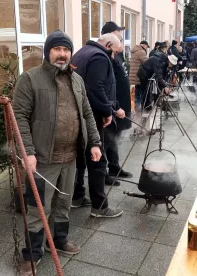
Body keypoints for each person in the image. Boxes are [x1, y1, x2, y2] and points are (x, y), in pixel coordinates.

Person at [12, 30, 102, 275]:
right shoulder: (30, 79)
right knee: (37, 208)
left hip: (70, 156)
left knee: (64, 203)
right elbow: (18, 117)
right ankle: (32, 254)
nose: (62, 54)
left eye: (66, 49)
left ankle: (59, 240)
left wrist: (94, 143)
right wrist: (27, 152)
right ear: (48, 52)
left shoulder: (77, 80)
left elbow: (86, 114)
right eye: (57, 49)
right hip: (42, 159)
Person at [71, 33, 124, 218]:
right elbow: (96, 88)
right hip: (91, 115)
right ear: (108, 45)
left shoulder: (82, 52)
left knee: (80, 157)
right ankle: (100, 206)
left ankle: (77, 196)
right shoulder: (100, 57)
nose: (114, 57)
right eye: (115, 52)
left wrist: (113, 107)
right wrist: (108, 111)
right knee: (97, 159)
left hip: (77, 113)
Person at [102, 22, 134, 180]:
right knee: (106, 141)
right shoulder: (104, 56)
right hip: (113, 107)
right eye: (118, 32)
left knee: (115, 139)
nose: (121, 36)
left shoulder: (118, 53)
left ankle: (114, 167)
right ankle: (103, 173)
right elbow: (105, 87)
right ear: (109, 36)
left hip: (122, 104)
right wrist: (116, 107)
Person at [137, 42, 176, 108]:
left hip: (148, 73)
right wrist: (165, 86)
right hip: (144, 73)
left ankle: (147, 104)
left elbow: (163, 74)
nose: (171, 66)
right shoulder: (159, 61)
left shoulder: (164, 60)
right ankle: (145, 106)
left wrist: (165, 84)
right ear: (169, 61)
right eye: (171, 64)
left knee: (148, 90)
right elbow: (159, 76)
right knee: (146, 90)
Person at [129, 40, 150, 110]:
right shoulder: (141, 51)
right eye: (147, 47)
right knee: (141, 92)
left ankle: (136, 106)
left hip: (133, 74)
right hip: (139, 75)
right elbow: (146, 62)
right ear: (144, 45)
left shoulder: (134, 51)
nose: (146, 48)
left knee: (136, 91)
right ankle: (139, 107)